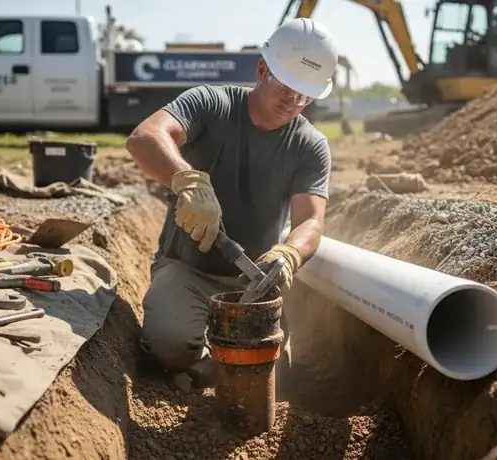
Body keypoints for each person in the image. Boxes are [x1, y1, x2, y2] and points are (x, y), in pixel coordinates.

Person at [124, 17, 338, 390]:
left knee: (273, 368)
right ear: (261, 69)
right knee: (170, 344)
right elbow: (144, 137)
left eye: (306, 95)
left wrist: (289, 254)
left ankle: (221, 371)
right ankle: (202, 367)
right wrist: (186, 179)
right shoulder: (212, 103)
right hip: (187, 269)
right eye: (287, 86)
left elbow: (311, 222)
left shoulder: (310, 145)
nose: (294, 102)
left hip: (252, 284)